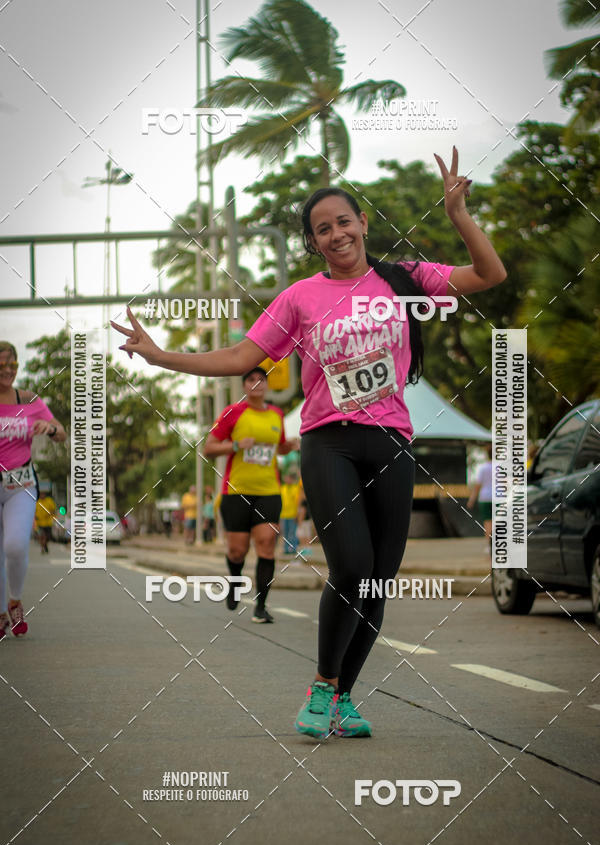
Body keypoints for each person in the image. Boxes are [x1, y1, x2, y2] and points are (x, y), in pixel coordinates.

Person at [112, 146, 506, 738]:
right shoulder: (300, 298)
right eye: (323, 229)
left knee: (377, 580)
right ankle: (322, 689)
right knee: (350, 565)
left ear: (363, 224)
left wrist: (459, 215)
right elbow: (241, 356)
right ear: (314, 243)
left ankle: (345, 698)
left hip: (392, 443)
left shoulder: (405, 278)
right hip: (330, 443)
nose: (337, 234)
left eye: (344, 222)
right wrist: (161, 355)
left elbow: (490, 276)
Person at [203, 367, 299, 623]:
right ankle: (235, 583)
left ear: (267, 386)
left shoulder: (276, 415)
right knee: (237, 550)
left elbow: (277, 449)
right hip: (236, 492)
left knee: (267, 544)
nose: (257, 384)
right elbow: (208, 448)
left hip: (269, 490)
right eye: (251, 380)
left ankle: (261, 606)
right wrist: (235, 445)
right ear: (245, 386)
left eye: (261, 380)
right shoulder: (232, 413)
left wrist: (286, 447)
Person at [0, 341, 66, 637]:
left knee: (14, 545)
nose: (8, 371)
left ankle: (14, 600)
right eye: (2, 365)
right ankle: (1, 612)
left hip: (21, 483)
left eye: (12, 365)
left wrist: (49, 428)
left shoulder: (29, 400)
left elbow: (60, 433)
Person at [467, 443, 493, 557]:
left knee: (488, 523)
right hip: (498, 497)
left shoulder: (483, 468)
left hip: (485, 497)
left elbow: (478, 485)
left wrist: (471, 499)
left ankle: (489, 546)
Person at [280, 471, 301, 555]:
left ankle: (293, 548)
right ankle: (286, 549)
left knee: (292, 532)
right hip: (283, 515)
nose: (287, 480)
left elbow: (298, 502)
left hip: (293, 514)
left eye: (289, 478)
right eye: (286, 478)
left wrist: (298, 514)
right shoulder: (282, 488)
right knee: (285, 533)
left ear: (292, 479)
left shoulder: (296, 489)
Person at [34, 489, 57, 554]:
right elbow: (34, 511)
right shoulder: (37, 502)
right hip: (40, 523)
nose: (42, 495)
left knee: (48, 537)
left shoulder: (49, 501)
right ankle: (42, 548)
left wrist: (50, 514)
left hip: (48, 522)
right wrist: (35, 516)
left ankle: (45, 545)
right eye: (41, 494)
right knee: (41, 536)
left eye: (43, 494)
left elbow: (53, 509)